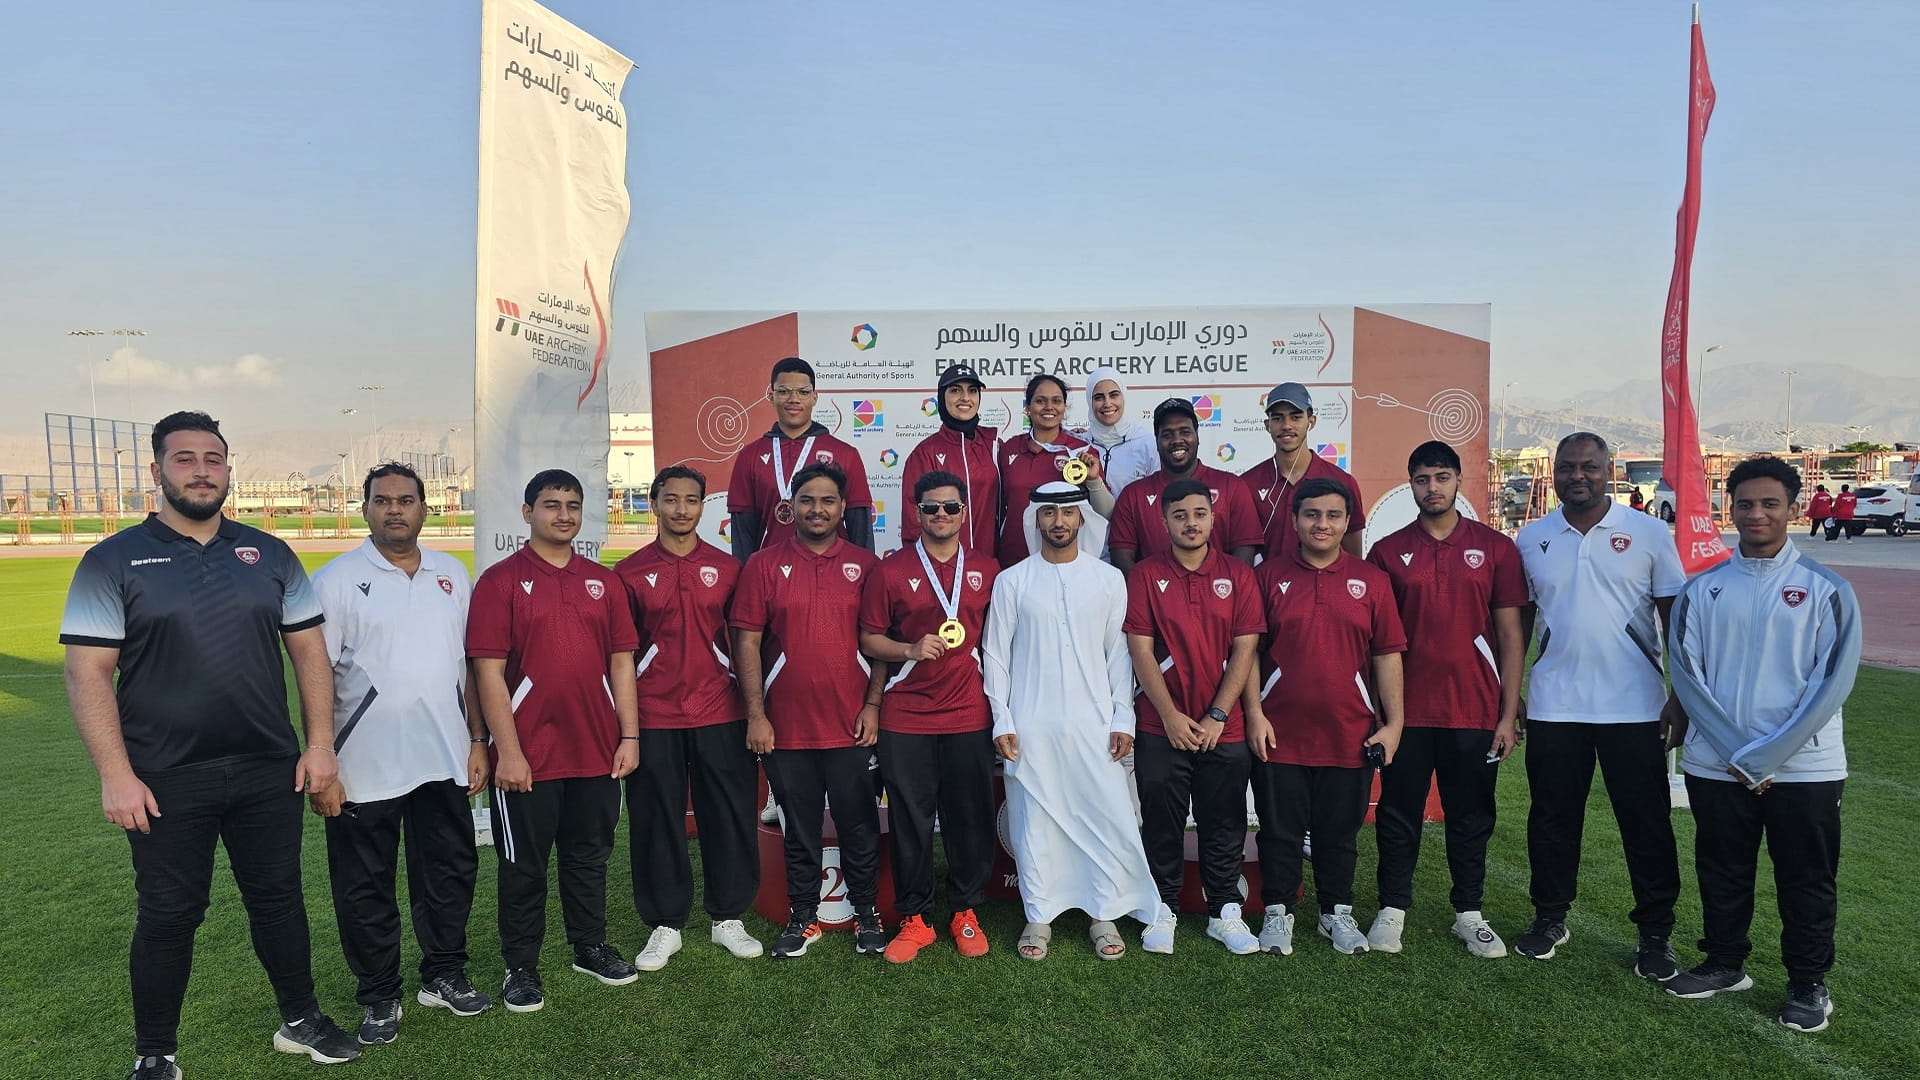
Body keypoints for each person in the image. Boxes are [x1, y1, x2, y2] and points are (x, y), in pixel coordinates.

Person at [60, 410, 361, 1077]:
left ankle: (301, 1020)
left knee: (279, 899)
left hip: (266, 769)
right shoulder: (110, 560)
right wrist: (115, 774)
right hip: (165, 777)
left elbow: (310, 652)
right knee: (169, 914)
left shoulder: (270, 554)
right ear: (157, 470)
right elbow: (87, 672)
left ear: (229, 468)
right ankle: (156, 1054)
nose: (202, 470)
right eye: (185, 458)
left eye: (214, 459)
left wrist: (320, 746)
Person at [1663, 456, 1861, 1033]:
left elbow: (1834, 682)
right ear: (1731, 509)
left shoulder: (1827, 590)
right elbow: (1688, 677)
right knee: (1722, 868)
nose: (1756, 514)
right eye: (1745, 503)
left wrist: (1767, 756)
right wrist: (1739, 756)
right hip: (1717, 765)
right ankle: (1725, 963)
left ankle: (1807, 983)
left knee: (1806, 878)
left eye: (1770, 503)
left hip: (1805, 768)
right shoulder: (1703, 589)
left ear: (1793, 509)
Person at [309, 462, 492, 1045]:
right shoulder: (335, 580)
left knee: (450, 873)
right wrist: (322, 762)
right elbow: (315, 676)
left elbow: (470, 668)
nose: (395, 509)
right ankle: (380, 994)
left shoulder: (451, 574)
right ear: (364, 509)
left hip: (443, 756)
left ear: (424, 509)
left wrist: (479, 741)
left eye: (406, 500)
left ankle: (443, 974)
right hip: (364, 764)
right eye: (382, 500)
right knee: (366, 884)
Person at [467, 469, 642, 1012]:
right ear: (527, 513)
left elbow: (621, 663)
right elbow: (487, 673)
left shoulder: (603, 582)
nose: (563, 514)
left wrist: (629, 734)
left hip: (595, 750)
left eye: (572, 505)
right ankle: (520, 967)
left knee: (589, 857)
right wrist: (509, 753)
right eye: (550, 505)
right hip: (528, 758)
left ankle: (588, 945)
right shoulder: (499, 582)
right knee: (524, 866)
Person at [1514, 432, 1684, 978]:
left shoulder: (1650, 533)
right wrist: (1510, 695)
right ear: (1554, 473)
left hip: (1634, 709)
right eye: (1567, 467)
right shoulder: (1531, 537)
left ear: (1608, 470)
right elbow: (1516, 626)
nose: (1577, 476)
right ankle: (1549, 917)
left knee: (1647, 824)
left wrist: (1680, 697)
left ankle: (1656, 934)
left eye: (1588, 466)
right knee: (1551, 820)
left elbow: (1676, 625)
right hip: (1553, 706)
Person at [984, 481, 1165, 960]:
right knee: (1035, 823)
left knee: (1103, 817)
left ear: (1082, 519)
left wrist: (1121, 716)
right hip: (1031, 725)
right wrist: (1002, 719)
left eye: (1067, 513)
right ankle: (1037, 917)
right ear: (1036, 521)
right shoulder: (1013, 581)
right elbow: (996, 657)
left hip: (1094, 725)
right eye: (1048, 514)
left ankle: (1103, 916)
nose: (1058, 522)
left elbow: (1118, 659)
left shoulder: (1107, 581)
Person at [1364, 441, 1526, 957]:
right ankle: (1392, 908)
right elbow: (1376, 641)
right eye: (1421, 479)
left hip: (1474, 710)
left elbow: (1510, 636)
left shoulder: (1496, 548)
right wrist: (1384, 713)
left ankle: (1469, 913)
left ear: (1458, 481)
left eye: (1441, 477)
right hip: (1406, 714)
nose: (1431, 488)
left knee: (1471, 814)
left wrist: (1507, 713)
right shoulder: (1387, 551)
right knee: (1397, 812)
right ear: (1409, 484)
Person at [1244, 477, 1407, 956]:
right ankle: (1277, 912)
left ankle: (1336, 912)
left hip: (1348, 732)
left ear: (1347, 523)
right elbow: (1249, 652)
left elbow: (1388, 655)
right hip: (1280, 731)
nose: (1323, 524)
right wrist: (1254, 713)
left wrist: (1392, 723)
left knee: (1340, 833)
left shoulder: (1372, 580)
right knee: (1279, 830)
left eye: (1334, 516)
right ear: (1295, 521)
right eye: (1312, 514)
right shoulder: (1267, 577)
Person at [731, 462, 887, 959]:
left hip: (849, 725)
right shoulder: (762, 565)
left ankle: (867, 913)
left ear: (844, 508)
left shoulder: (866, 564)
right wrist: (756, 714)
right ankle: (804, 916)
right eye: (807, 500)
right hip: (786, 728)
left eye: (828, 501)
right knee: (799, 827)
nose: (817, 509)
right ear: (790, 508)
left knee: (859, 824)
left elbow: (879, 642)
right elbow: (748, 643)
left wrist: (873, 705)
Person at [612, 466, 764, 971]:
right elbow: (621, 655)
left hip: (720, 709)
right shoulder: (628, 573)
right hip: (655, 715)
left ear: (704, 507)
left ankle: (728, 917)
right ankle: (665, 923)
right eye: (671, 499)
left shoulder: (729, 568)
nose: (681, 509)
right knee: (656, 820)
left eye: (692, 500)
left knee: (730, 814)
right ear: (653, 504)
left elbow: (744, 645)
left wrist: (752, 710)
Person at [859, 470, 1000, 962]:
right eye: (931, 507)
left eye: (951, 507)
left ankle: (965, 910)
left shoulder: (987, 568)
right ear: (916, 513)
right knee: (910, 820)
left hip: (968, 713)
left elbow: (999, 645)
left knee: (969, 818)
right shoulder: (890, 570)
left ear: (965, 513)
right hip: (907, 715)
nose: (942, 515)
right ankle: (915, 918)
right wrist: (909, 648)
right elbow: (869, 639)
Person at [1123, 478, 1263, 955]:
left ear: (1213, 517)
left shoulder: (1239, 575)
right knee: (1162, 819)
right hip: (1161, 725)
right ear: (1164, 521)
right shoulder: (1143, 574)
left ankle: (1225, 910)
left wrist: (1220, 715)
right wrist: (1170, 716)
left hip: (1225, 728)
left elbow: (1246, 648)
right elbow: (1140, 648)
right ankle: (1161, 908)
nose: (1190, 523)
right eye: (1180, 515)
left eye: (1199, 514)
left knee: (1223, 820)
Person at [726, 356, 874, 560]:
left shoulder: (845, 454)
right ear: (771, 396)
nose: (793, 399)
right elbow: (743, 534)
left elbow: (861, 530)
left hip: (834, 574)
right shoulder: (749, 456)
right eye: (784, 391)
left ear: (814, 397)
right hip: (770, 574)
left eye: (803, 392)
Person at [1108, 397, 1262, 570]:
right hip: (1153, 596)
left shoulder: (1232, 486)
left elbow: (1245, 553)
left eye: (1185, 432)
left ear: (1197, 436)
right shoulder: (1133, 495)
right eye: (1167, 434)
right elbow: (1121, 559)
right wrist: (1151, 593)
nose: (1177, 440)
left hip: (1221, 595)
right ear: (1156, 442)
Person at [1240, 382, 1365, 561]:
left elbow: (1354, 559)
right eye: (1278, 418)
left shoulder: (1342, 482)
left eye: (1296, 417)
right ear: (1267, 425)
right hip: (1268, 587)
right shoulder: (1247, 484)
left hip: (1326, 588)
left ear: (1311, 422)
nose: (1287, 425)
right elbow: (1243, 558)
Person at [999, 373, 1113, 563]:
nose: (1049, 407)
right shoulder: (1009, 448)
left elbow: (1105, 513)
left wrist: (1093, 480)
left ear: (1064, 407)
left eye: (1056, 401)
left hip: (1065, 563)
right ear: (1027, 408)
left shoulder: (1081, 451)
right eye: (1040, 401)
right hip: (1014, 562)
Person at [901, 364, 999, 553]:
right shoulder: (924, 453)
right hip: (943, 567)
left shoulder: (994, 445)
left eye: (972, 391)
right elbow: (913, 521)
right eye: (955, 390)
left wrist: (1071, 441)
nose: (965, 398)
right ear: (941, 397)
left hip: (991, 566)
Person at [1082, 366, 1157, 498]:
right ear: (1090, 401)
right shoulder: (1081, 444)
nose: (1107, 403)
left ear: (1123, 396)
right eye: (1099, 398)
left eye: (1114, 395)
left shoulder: (1145, 442)